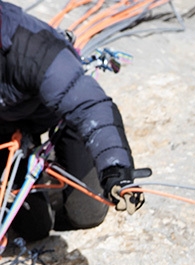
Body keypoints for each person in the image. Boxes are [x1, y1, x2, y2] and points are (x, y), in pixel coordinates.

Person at [0, 1, 144, 244]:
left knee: (86, 213)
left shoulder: (33, 48)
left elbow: (89, 106)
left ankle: (57, 169)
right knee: (33, 228)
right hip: (8, 127)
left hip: (59, 117)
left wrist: (115, 171)